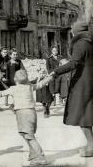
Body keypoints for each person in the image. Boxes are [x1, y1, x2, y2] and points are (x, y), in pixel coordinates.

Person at [0, 70, 50, 166]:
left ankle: (41, 157)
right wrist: (50, 77)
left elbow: (0, 93)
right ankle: (33, 153)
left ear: (15, 80)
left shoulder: (14, 89)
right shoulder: (29, 87)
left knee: (29, 136)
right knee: (26, 134)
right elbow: (40, 84)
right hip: (31, 112)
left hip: (22, 113)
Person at [50, 21, 93, 157]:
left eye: (72, 31)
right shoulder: (90, 42)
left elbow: (74, 63)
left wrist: (55, 72)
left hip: (82, 83)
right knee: (88, 113)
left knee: (81, 114)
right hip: (90, 82)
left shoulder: (80, 43)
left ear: (76, 32)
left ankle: (91, 146)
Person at [36, 46, 59, 117]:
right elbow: (48, 68)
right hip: (52, 75)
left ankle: (49, 106)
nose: (55, 52)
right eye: (53, 51)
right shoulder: (49, 59)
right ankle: (46, 108)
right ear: (51, 51)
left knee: (55, 91)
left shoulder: (60, 58)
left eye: (56, 50)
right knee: (50, 92)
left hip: (59, 75)